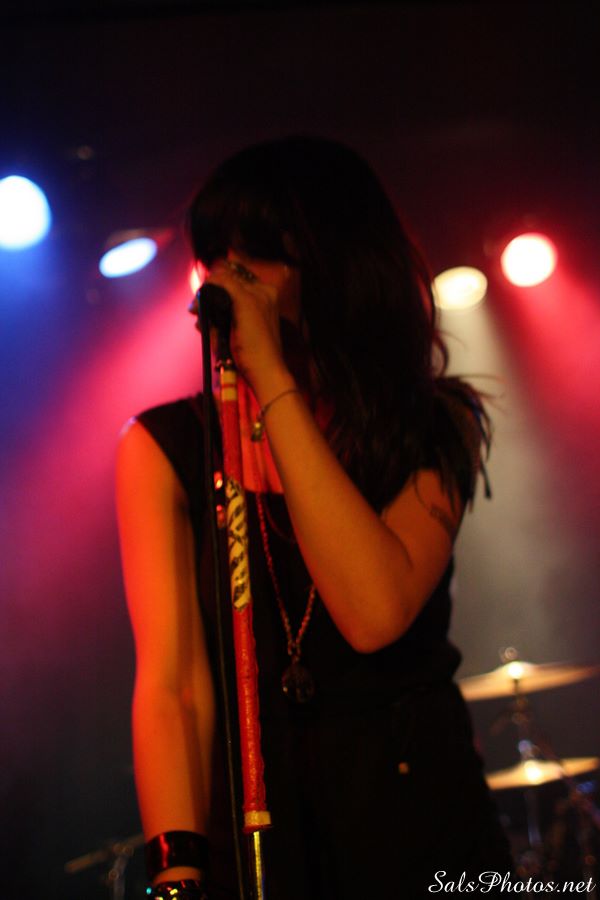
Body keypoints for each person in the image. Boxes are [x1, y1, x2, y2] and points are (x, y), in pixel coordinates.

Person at [116, 136, 512, 900]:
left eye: (257, 256)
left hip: (422, 829)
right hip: (266, 842)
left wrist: (271, 378)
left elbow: (374, 612)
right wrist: (177, 876)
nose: (227, 280)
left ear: (335, 263)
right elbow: (173, 688)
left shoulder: (434, 426)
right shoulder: (163, 448)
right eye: (215, 256)